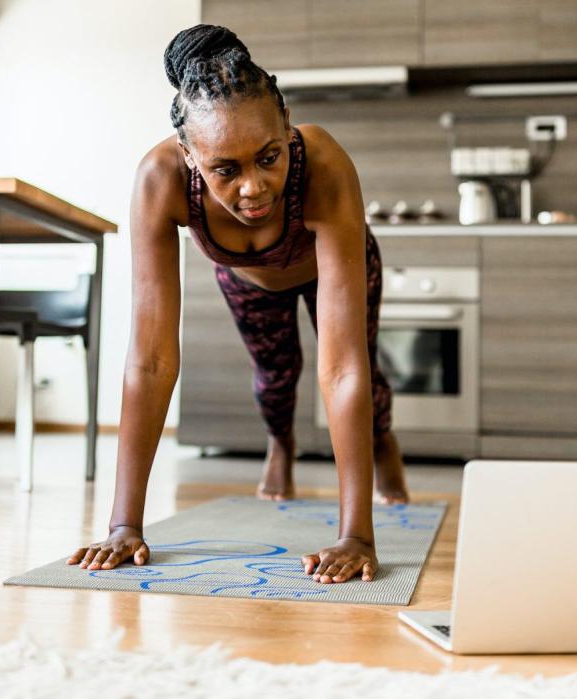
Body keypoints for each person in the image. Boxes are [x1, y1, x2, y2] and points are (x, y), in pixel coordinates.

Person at [67, 24, 408, 585]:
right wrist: (124, 525)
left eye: (269, 157)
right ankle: (281, 444)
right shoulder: (160, 179)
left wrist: (356, 536)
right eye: (226, 170)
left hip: (330, 265)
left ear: (287, 125)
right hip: (249, 278)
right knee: (275, 378)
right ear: (189, 154)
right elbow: (150, 360)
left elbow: (342, 365)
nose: (254, 187)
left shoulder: (322, 162)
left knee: (360, 371)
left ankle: (383, 442)